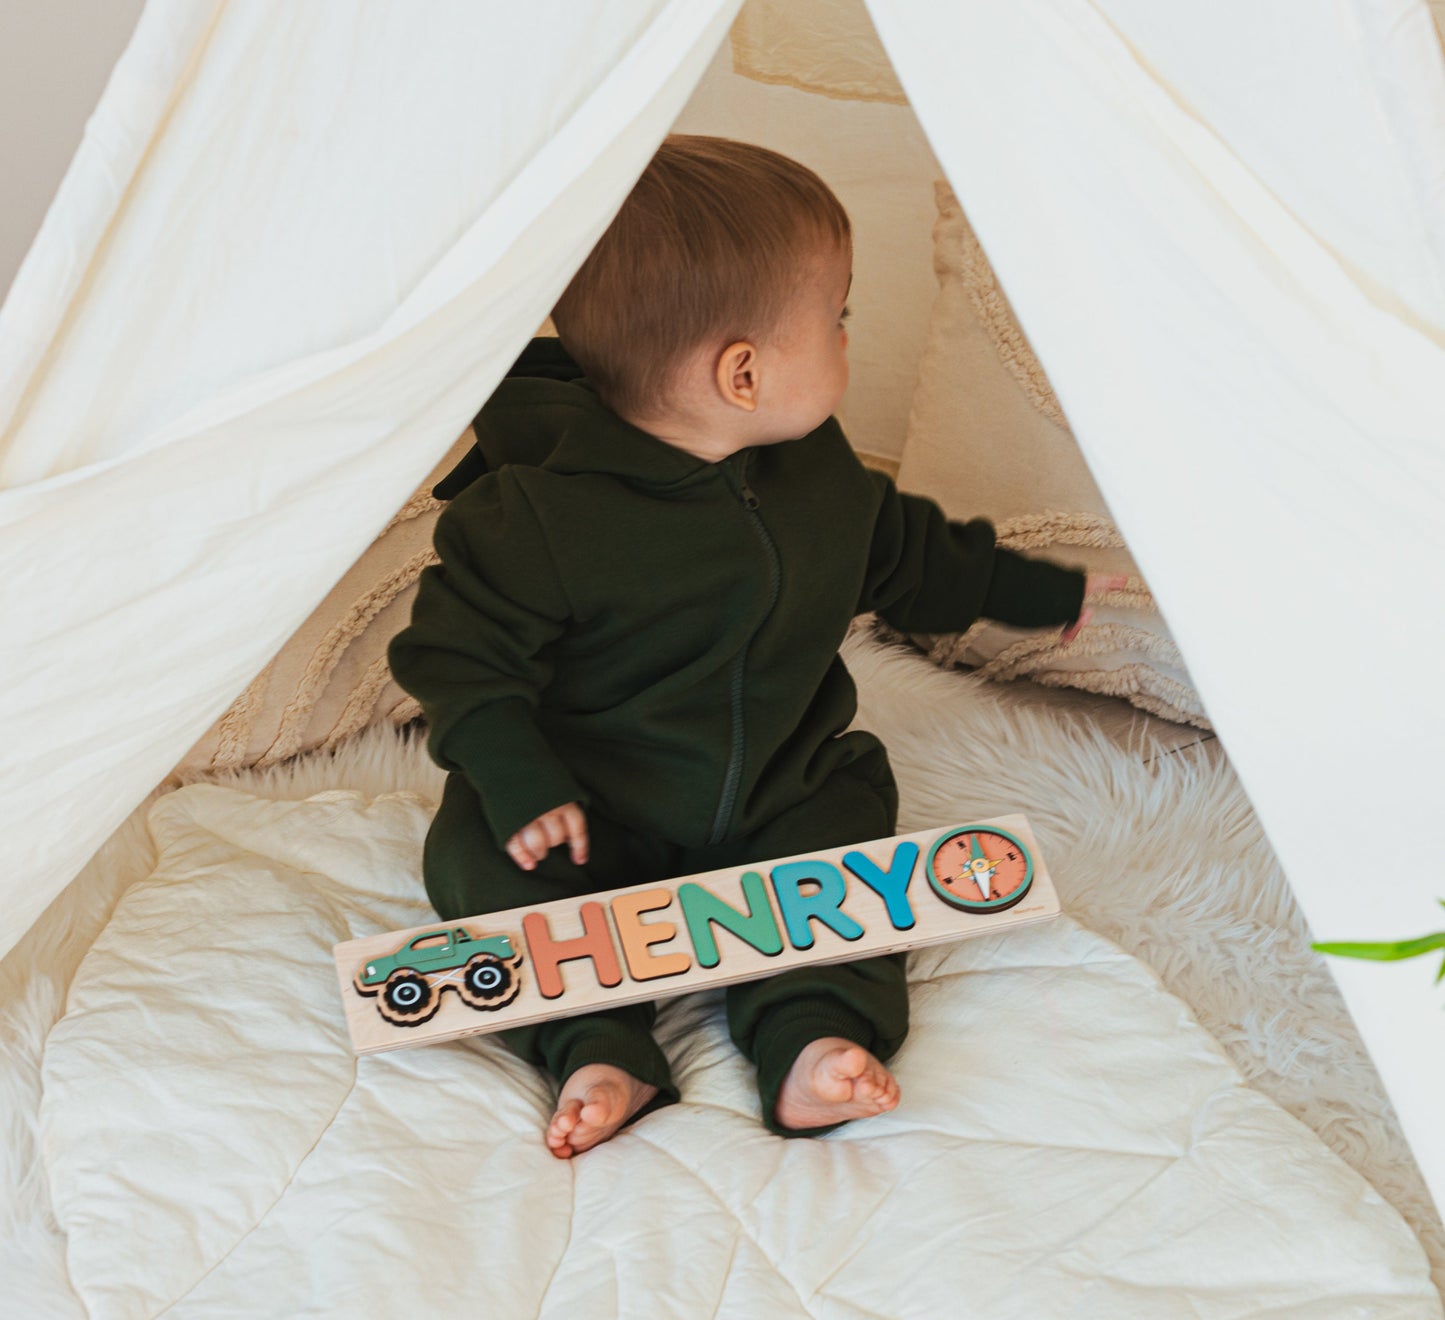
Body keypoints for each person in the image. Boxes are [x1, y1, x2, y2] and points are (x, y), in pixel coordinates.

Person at [389, 135, 1119, 1160]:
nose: (847, 337)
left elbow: (902, 551)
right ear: (742, 372)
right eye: (838, 318)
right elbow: (458, 655)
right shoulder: (536, 513)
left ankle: (811, 1035)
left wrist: (1038, 590)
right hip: (592, 808)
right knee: (479, 863)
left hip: (777, 783)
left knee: (844, 828)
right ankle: (599, 1048)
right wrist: (518, 780)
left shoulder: (810, 472)